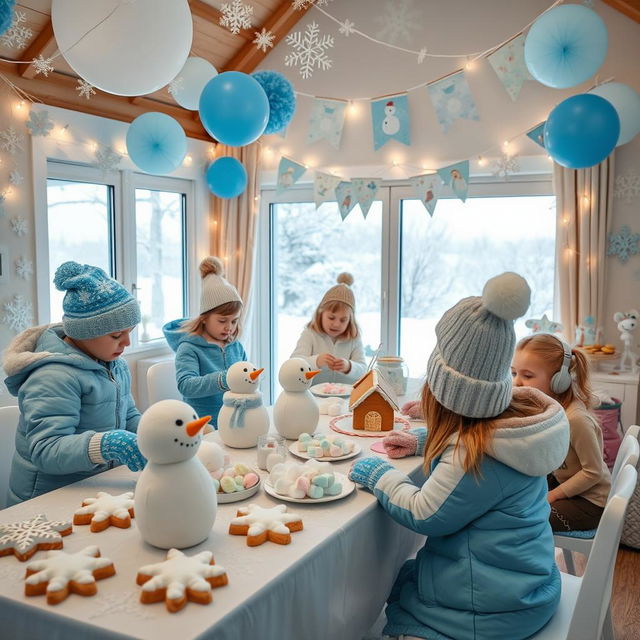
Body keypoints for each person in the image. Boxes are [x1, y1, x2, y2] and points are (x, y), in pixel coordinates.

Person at [349, 273, 569, 640]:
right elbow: (464, 441)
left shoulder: (474, 455)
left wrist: (378, 475)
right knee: (407, 577)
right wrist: (423, 442)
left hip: (489, 608)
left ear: (445, 391)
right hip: (526, 581)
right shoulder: (507, 429)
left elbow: (424, 511)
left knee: (395, 595)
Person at [3, 261, 146, 505]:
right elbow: (46, 450)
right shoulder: (52, 376)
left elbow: (128, 414)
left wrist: (154, 433)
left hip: (95, 486)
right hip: (45, 500)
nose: (127, 343)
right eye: (116, 335)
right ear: (84, 331)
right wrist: (107, 444)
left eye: (130, 332)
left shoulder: (116, 365)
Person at [512, 333, 611, 531]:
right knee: (512, 503)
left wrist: (554, 495)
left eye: (528, 375)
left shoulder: (575, 419)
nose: (517, 383)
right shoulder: (550, 410)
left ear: (560, 380)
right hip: (565, 482)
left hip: (590, 503)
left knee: (526, 522)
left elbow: (593, 472)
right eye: (514, 373)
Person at [163, 256, 247, 426]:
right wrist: (225, 379)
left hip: (236, 421)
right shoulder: (189, 348)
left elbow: (243, 376)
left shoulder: (235, 346)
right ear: (204, 318)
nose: (229, 327)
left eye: (234, 321)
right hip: (204, 425)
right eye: (222, 321)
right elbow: (186, 385)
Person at [290, 273, 367, 385]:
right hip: (313, 397)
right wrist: (316, 361)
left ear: (350, 320)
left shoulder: (354, 338)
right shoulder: (310, 334)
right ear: (320, 313)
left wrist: (349, 367)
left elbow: (363, 369)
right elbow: (294, 363)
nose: (336, 324)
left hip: (346, 397)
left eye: (343, 320)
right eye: (331, 318)